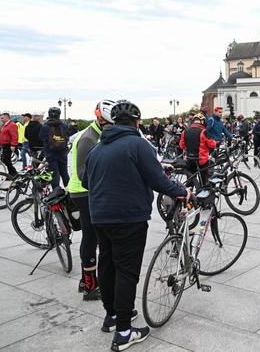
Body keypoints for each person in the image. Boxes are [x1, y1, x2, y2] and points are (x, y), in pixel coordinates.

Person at [83, 100, 189, 351]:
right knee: (127, 271)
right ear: (137, 122)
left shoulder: (97, 149)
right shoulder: (138, 144)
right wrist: (181, 191)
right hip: (128, 218)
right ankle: (123, 332)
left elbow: (88, 181)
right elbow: (158, 181)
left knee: (107, 266)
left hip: (99, 216)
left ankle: (112, 317)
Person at [67, 99, 116, 301]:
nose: (113, 126)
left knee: (94, 236)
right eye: (109, 123)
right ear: (99, 118)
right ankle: (89, 286)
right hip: (83, 192)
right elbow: (82, 174)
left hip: (92, 190)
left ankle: (84, 279)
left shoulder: (102, 133)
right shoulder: (89, 138)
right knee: (91, 237)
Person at [179, 113, 216, 187]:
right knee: (203, 180)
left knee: (190, 179)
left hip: (190, 158)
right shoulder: (204, 131)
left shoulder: (185, 131)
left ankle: (189, 193)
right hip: (201, 160)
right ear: (202, 121)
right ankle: (203, 190)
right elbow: (212, 145)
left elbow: (182, 145)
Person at [39, 107, 70, 189]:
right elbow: (67, 137)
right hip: (63, 153)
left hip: (50, 153)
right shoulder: (64, 125)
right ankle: (70, 192)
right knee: (64, 173)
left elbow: (42, 137)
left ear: (49, 114)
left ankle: (56, 194)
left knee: (54, 174)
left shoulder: (45, 126)